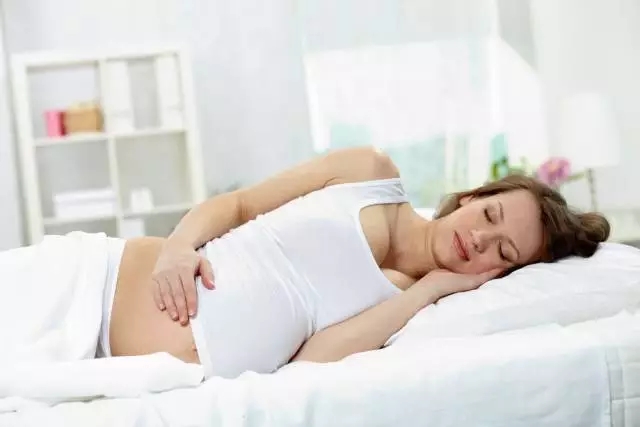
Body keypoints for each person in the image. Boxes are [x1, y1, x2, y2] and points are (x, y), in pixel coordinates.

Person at [103, 147, 610, 379]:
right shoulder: (371, 174)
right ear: (473, 196)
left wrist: (429, 290)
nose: (479, 239)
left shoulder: (407, 303)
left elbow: (310, 363)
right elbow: (239, 205)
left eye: (503, 251)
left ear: (503, 274)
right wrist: (178, 245)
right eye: (489, 215)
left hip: (123, 368)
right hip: (107, 283)